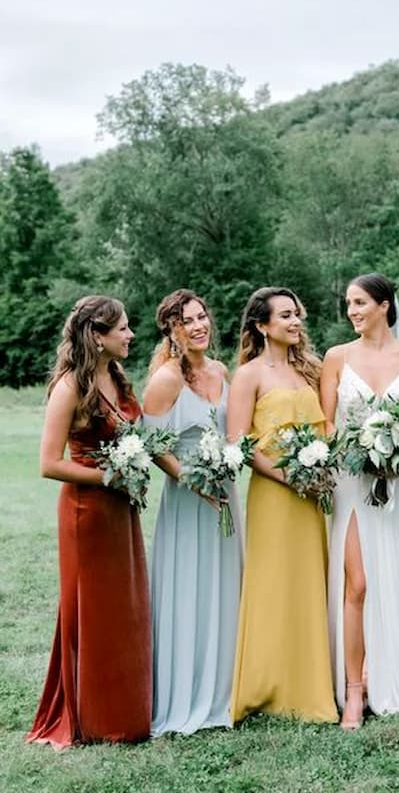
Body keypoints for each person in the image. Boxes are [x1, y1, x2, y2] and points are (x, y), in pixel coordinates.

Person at [321, 273, 399, 728]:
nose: (352, 311)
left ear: (384, 305)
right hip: (353, 481)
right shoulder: (336, 357)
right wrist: (359, 452)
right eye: (349, 304)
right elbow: (327, 425)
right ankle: (355, 690)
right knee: (357, 584)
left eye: (359, 303)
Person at [27, 296, 151, 747]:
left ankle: (128, 707)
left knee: (126, 608)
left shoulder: (117, 377)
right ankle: (96, 717)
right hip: (87, 512)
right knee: (93, 610)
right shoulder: (69, 388)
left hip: (122, 508)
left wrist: (130, 473)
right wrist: (108, 476)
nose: (130, 335)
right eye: (122, 328)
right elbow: (48, 463)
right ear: (97, 336)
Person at [228, 287, 337, 724]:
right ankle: (267, 685)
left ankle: (310, 685)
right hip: (274, 493)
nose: (296, 322)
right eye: (286, 315)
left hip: (311, 494)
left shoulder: (310, 370)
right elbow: (239, 442)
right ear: (261, 325)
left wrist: (318, 472)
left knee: (309, 581)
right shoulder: (249, 376)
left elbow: (327, 427)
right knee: (273, 583)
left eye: (298, 315)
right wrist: (288, 476)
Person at [143, 289, 243, 737]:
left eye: (203, 317)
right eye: (188, 320)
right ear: (171, 329)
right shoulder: (166, 379)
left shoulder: (221, 371)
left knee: (225, 586)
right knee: (190, 589)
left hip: (224, 496)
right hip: (189, 501)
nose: (199, 325)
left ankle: (226, 689)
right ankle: (187, 694)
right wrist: (193, 481)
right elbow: (154, 447)